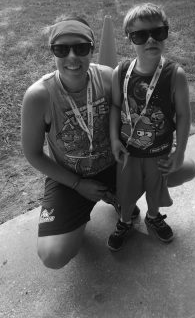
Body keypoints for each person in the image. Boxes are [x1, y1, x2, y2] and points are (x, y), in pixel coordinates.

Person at [21, 16, 139, 269]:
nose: (72, 57)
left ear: (92, 48)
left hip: (113, 165)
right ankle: (79, 215)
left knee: (162, 170)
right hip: (69, 175)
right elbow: (33, 154)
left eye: (81, 48)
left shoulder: (107, 77)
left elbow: (131, 121)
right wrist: (77, 185)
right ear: (52, 52)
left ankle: (119, 197)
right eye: (62, 49)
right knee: (53, 255)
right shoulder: (39, 96)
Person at [108, 3, 195, 251]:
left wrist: (179, 152)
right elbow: (116, 106)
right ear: (129, 39)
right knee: (125, 191)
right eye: (140, 35)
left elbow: (183, 114)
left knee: (156, 188)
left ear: (166, 33)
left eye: (158, 33)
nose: (150, 40)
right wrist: (114, 139)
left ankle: (154, 216)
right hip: (128, 151)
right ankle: (125, 220)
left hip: (159, 150)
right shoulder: (121, 71)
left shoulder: (174, 74)